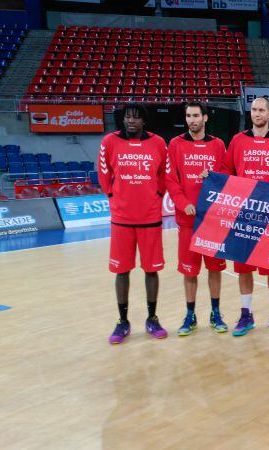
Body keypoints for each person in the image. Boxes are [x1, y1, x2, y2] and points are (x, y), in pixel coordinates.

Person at [99, 103, 169, 344]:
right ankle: (122, 321)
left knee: (152, 269)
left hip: (150, 217)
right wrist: (112, 196)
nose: (131, 121)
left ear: (143, 122)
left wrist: (157, 195)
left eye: (136, 117)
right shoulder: (109, 141)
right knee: (121, 270)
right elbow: (103, 172)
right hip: (121, 218)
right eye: (128, 116)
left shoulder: (158, 143)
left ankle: (152, 318)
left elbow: (163, 174)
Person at [219, 97, 269, 336]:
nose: (257, 113)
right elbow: (227, 172)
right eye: (254, 110)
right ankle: (245, 314)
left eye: (261, 110)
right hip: (243, 214)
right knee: (244, 267)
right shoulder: (238, 140)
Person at [165, 102, 228, 336]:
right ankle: (190, 315)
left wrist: (214, 176)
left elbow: (226, 175)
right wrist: (184, 204)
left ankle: (216, 313)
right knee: (190, 271)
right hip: (187, 220)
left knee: (214, 269)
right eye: (188, 116)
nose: (191, 120)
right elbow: (170, 179)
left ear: (205, 118)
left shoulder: (218, 144)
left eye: (195, 116)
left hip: (213, 220)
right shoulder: (176, 144)